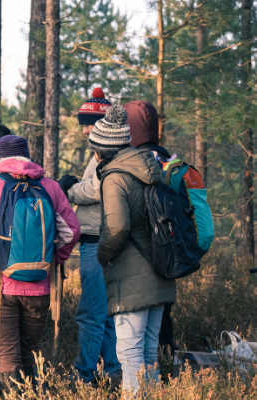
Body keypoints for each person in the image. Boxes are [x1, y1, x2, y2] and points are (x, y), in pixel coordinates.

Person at [0, 135, 80, 384]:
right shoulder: (50, 187)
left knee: (8, 358)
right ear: (28, 156)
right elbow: (71, 232)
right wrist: (55, 261)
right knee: (29, 355)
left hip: (0, 286)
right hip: (39, 285)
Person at [90, 104, 175, 392]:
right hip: (159, 273)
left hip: (131, 281)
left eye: (94, 148)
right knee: (149, 354)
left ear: (103, 150)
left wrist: (103, 256)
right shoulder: (150, 169)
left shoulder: (115, 178)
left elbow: (116, 228)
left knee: (129, 354)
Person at [58, 88, 121, 385]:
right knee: (106, 316)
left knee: (91, 314)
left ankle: (84, 377)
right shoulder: (105, 152)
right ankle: (112, 372)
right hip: (100, 242)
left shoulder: (107, 153)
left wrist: (68, 189)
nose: (83, 130)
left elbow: (96, 190)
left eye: (87, 123)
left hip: (97, 244)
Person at [124, 100, 177, 359]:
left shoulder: (137, 162)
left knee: (139, 335)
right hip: (171, 252)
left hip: (142, 255)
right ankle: (168, 375)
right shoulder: (168, 160)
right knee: (163, 318)